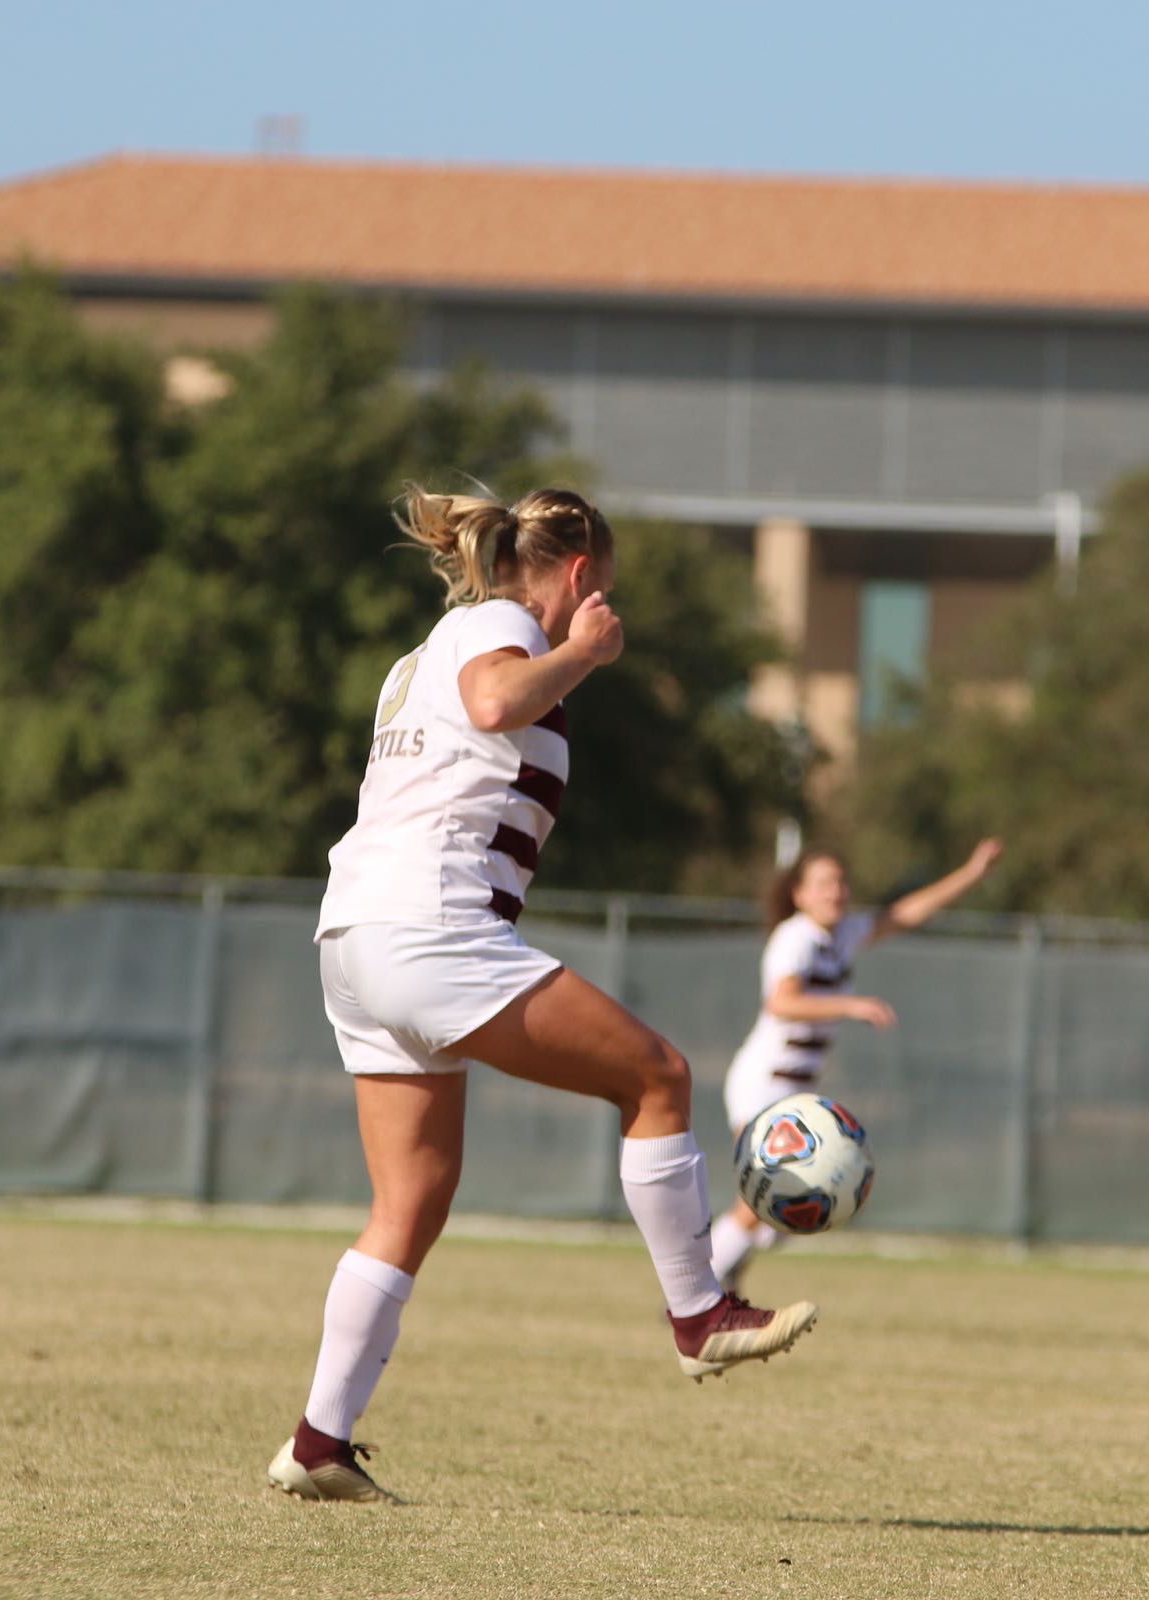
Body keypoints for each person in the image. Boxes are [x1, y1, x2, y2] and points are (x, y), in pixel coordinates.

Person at [269, 484, 819, 1504]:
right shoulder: (501, 624)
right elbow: (494, 704)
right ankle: (700, 1313)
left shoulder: (421, 653)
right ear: (577, 574)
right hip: (428, 929)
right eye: (598, 590)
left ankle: (317, 1441)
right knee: (659, 1076)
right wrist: (584, 653)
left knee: (412, 1198)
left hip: (353, 937)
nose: (599, 608)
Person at [709, 839, 1003, 1292]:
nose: (836, 891)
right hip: (763, 1086)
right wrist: (850, 1005)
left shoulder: (838, 935)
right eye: (824, 883)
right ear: (800, 895)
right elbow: (782, 1002)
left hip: (794, 1092)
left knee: (778, 1214)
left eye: (841, 881)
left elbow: (902, 915)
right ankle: (698, 1293)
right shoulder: (797, 937)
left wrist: (970, 873)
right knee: (762, 1202)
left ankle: (716, 1286)